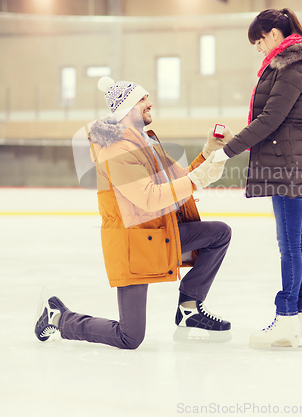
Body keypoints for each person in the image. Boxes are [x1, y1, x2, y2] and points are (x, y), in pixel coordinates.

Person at [35, 76, 233, 349]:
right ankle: (58, 317)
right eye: (143, 99)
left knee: (218, 234)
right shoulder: (115, 149)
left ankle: (189, 309)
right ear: (127, 108)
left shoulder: (144, 140)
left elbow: (180, 178)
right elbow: (149, 198)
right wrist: (197, 180)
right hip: (133, 243)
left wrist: (209, 152)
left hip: (158, 234)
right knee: (130, 337)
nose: (150, 103)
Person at [213, 8, 302, 348]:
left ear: (274, 33)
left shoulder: (294, 64)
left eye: (259, 41)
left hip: (288, 163)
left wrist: (227, 150)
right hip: (289, 159)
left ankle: (286, 319)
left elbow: (271, 118)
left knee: (289, 245)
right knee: (296, 243)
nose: (259, 49)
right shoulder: (290, 63)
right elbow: (273, 118)